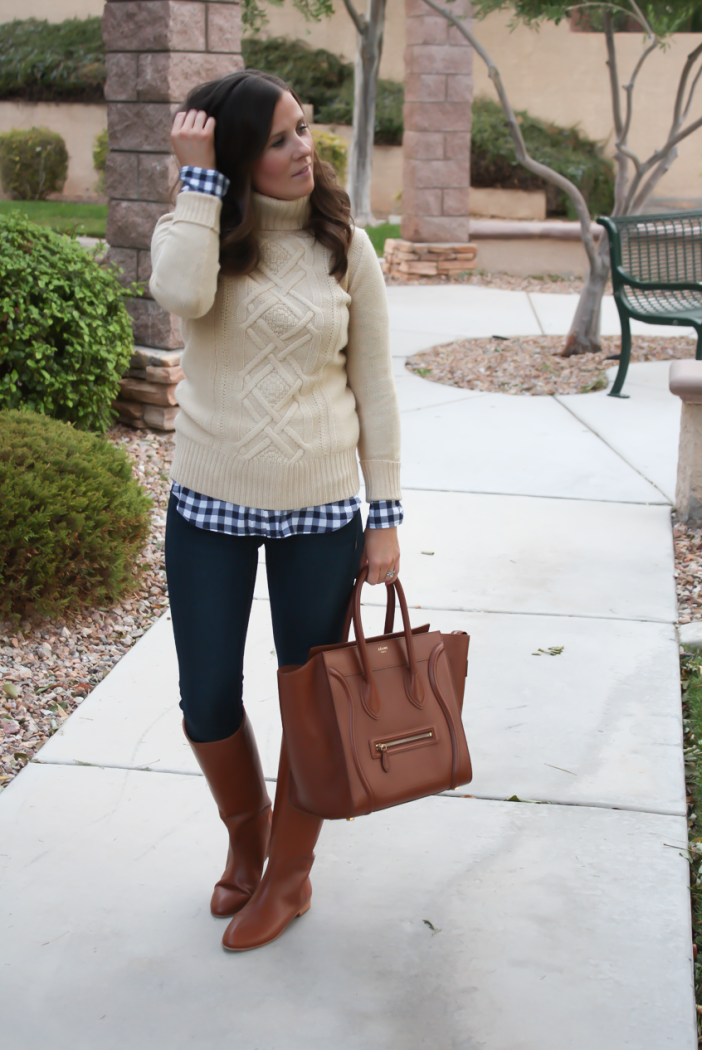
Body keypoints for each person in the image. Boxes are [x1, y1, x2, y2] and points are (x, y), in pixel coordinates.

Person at [150, 70, 402, 952]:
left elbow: (374, 388)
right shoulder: (197, 235)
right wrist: (197, 184)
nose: (304, 151)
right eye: (279, 140)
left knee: (312, 702)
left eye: (305, 131)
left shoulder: (346, 245)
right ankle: (248, 836)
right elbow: (179, 297)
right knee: (206, 696)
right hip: (208, 506)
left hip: (323, 512)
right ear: (232, 157)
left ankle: (290, 874)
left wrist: (386, 520)